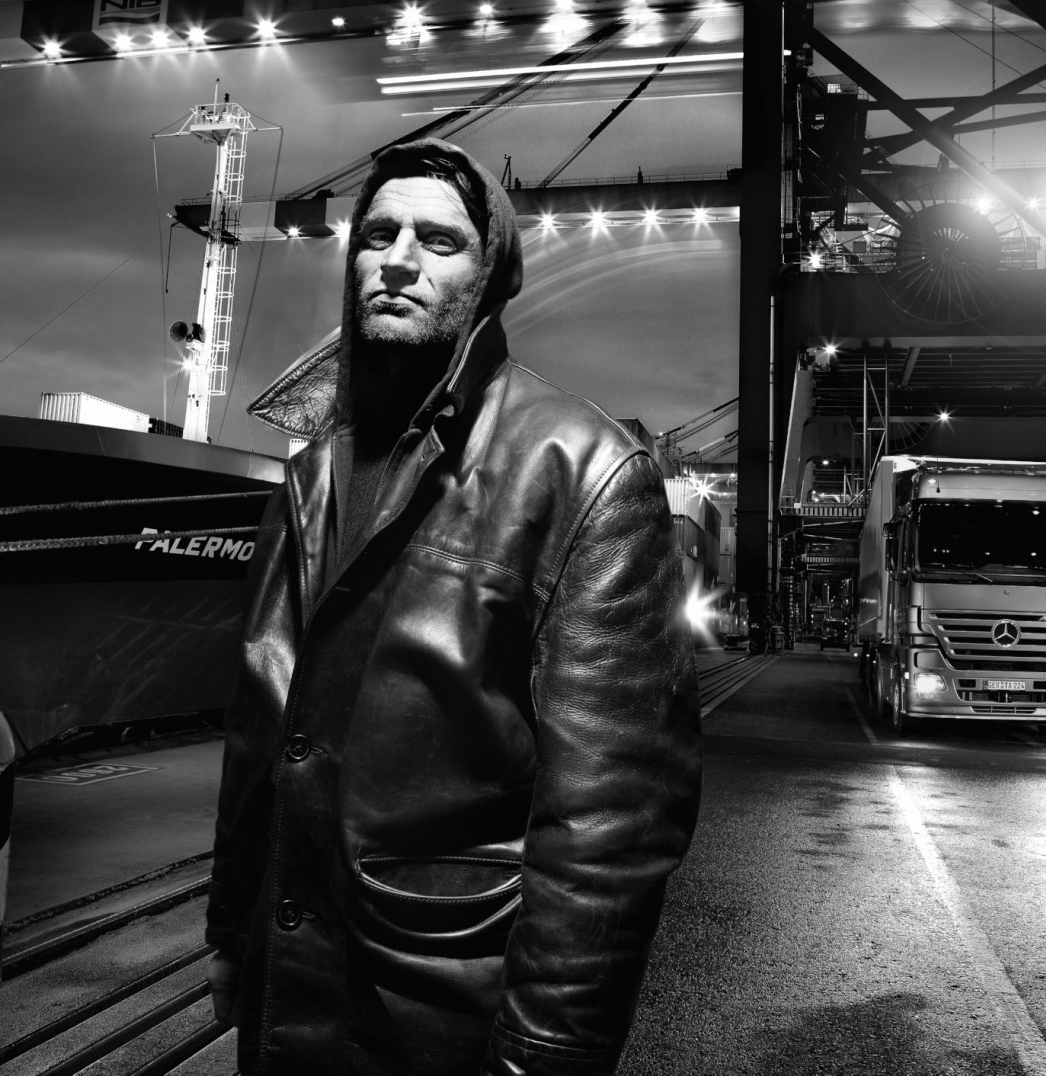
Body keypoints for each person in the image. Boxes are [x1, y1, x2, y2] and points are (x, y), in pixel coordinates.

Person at [206, 137, 702, 1076]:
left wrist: (544, 1056)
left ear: (490, 277)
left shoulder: (583, 472)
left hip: (438, 1006)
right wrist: (231, 929)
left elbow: (609, 825)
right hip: (288, 990)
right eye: (378, 234)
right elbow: (259, 733)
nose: (398, 260)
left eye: (438, 241)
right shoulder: (308, 479)